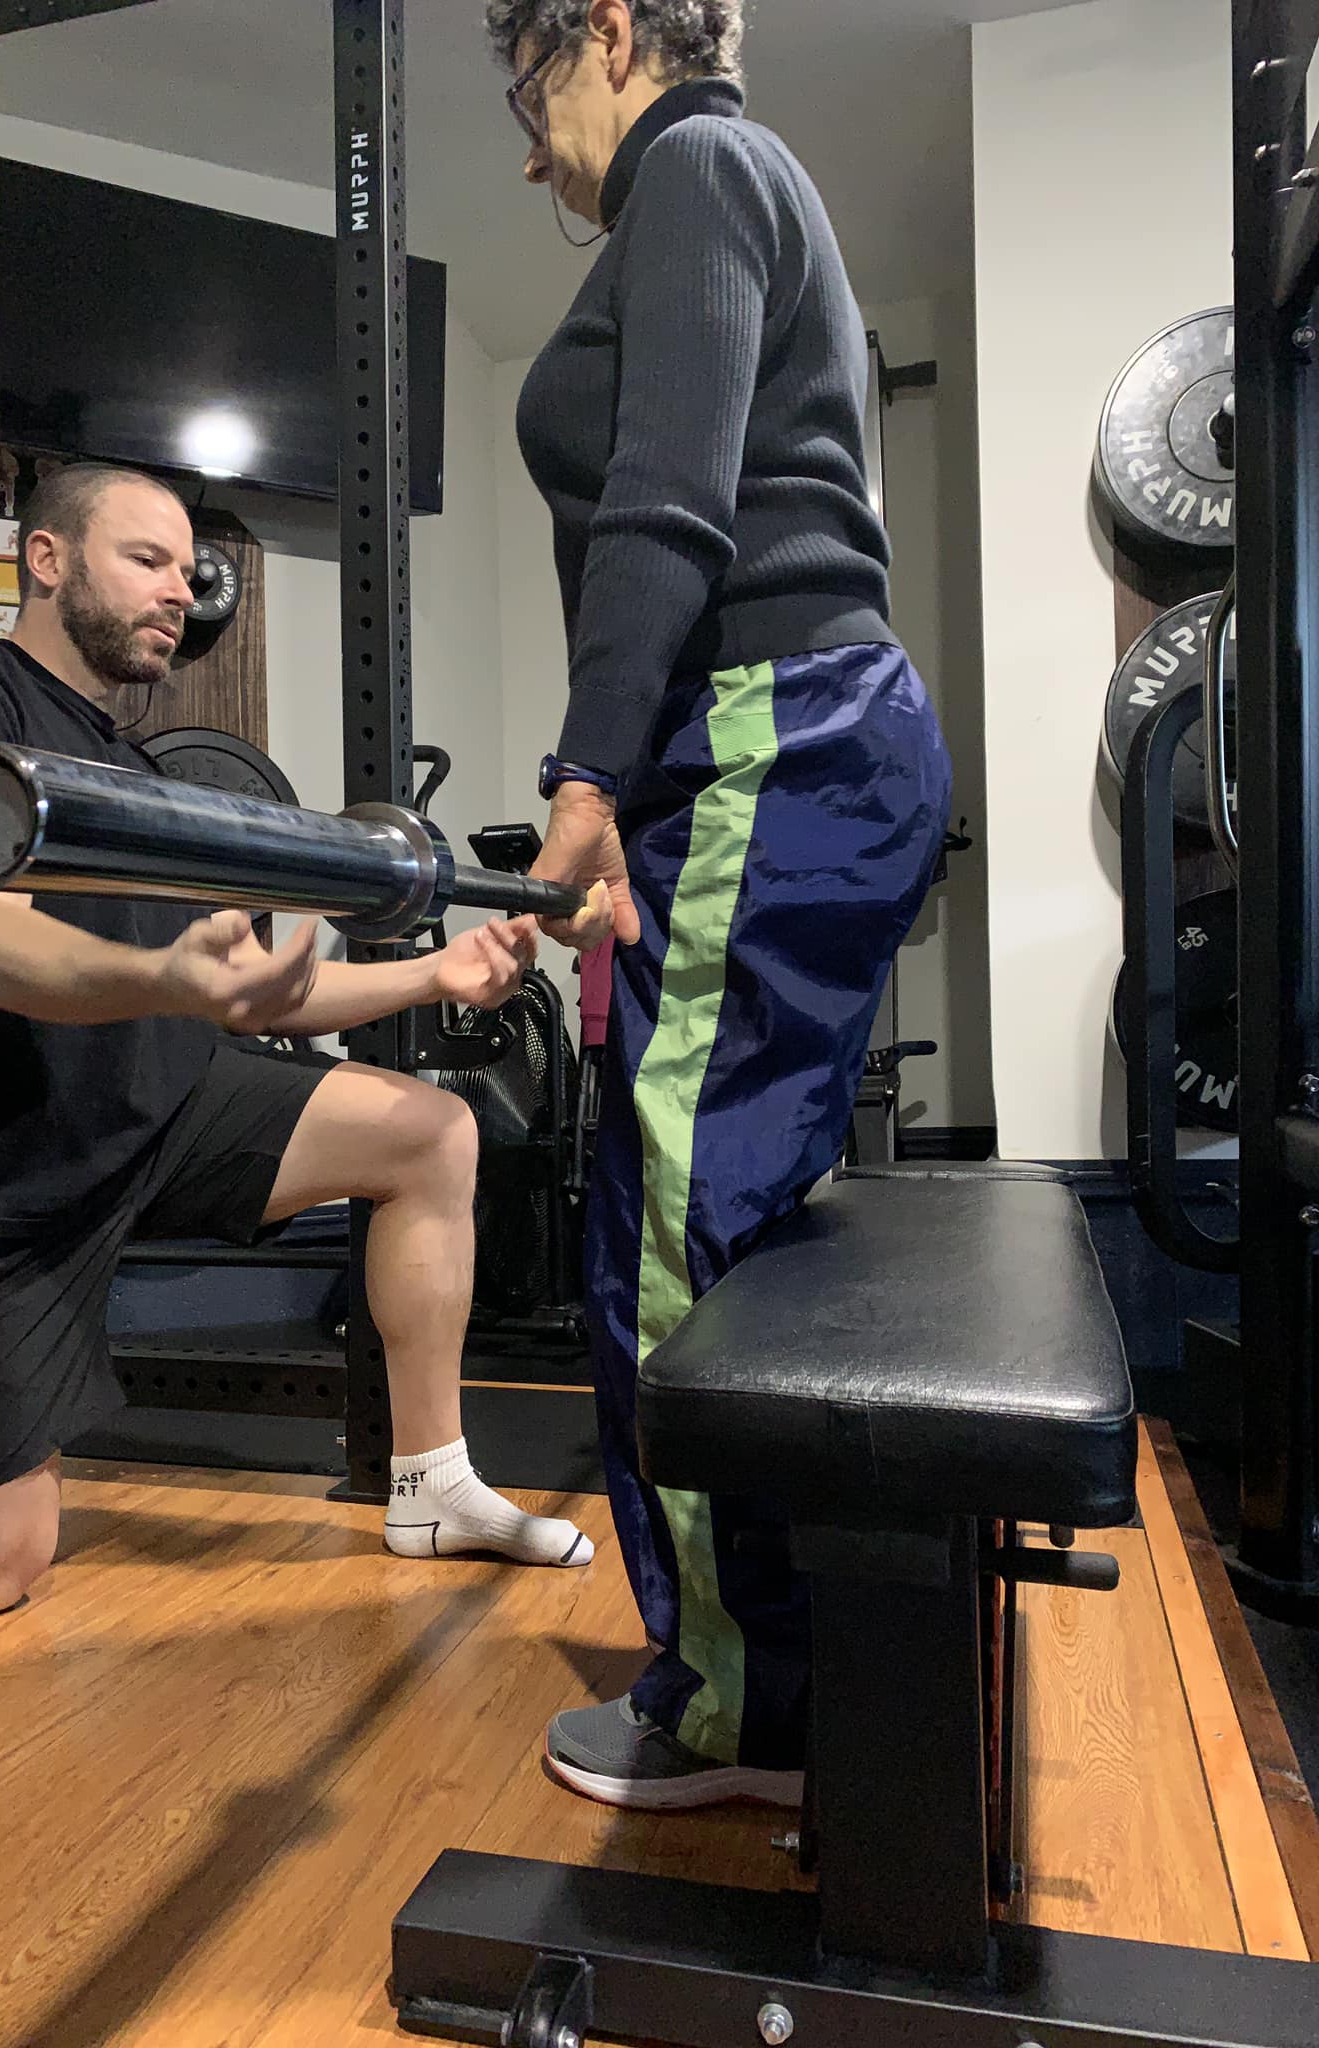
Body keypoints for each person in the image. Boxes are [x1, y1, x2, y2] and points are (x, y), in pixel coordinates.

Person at [0, 462, 598, 1615]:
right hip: (0, 1177)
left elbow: (252, 997)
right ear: (48, 560)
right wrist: (168, 977)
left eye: (187, 573)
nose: (177, 592)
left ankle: (433, 1483)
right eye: (145, 560)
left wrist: (441, 969)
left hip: (161, 1110)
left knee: (429, 1133)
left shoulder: (144, 771)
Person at [485, 0, 954, 1808]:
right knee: (714, 1202)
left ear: (606, 26)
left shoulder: (696, 164)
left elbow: (670, 505)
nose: (530, 150)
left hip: (765, 734)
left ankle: (747, 1699)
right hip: (781, 742)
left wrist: (588, 780)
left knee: (666, 1226)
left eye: (529, 92)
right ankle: (797, 1638)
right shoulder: (744, 185)